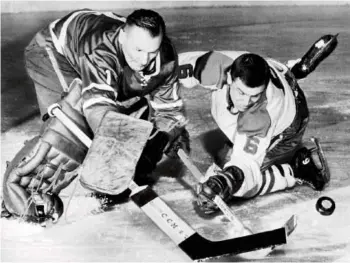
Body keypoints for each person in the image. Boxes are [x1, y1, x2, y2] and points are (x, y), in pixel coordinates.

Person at [1, 9, 190, 224]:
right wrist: (119, 151)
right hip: (55, 54)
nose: (144, 59)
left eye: (151, 51)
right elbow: (97, 111)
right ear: (122, 35)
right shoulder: (101, 50)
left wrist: (166, 136)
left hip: (103, 66)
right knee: (72, 126)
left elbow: (169, 111)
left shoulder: (165, 56)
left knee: (137, 127)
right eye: (138, 49)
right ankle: (17, 189)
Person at [177, 50, 330, 214]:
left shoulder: (260, 116)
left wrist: (228, 180)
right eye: (241, 92)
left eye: (255, 96)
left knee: (233, 183)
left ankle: (295, 169)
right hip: (274, 75)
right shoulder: (214, 66)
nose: (246, 102)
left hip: (288, 126)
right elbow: (167, 68)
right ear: (229, 77)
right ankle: (290, 72)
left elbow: (246, 166)